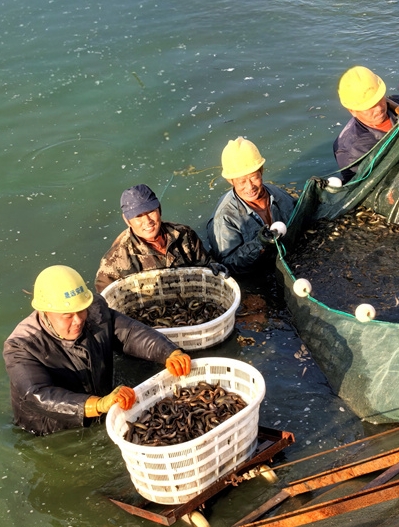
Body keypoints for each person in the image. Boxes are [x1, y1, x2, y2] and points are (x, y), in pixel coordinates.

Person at [3, 265, 191, 436]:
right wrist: (98, 404)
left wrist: (169, 352)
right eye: (67, 316)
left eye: (81, 310)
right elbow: (38, 394)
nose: (78, 320)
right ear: (45, 312)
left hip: (104, 405)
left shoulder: (93, 310)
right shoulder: (20, 347)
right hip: (50, 430)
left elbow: (129, 333)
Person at [95, 184, 227, 293]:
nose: (147, 221)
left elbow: (203, 263)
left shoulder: (184, 234)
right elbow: (106, 299)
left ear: (159, 209)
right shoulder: (114, 260)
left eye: (150, 211)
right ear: (127, 220)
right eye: (138, 216)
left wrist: (212, 266)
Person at [207, 137, 296, 274]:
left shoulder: (277, 194)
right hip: (258, 274)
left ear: (261, 171)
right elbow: (227, 263)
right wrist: (259, 243)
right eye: (242, 181)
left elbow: (300, 214)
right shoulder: (224, 217)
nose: (250, 187)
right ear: (231, 181)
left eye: (254, 177)